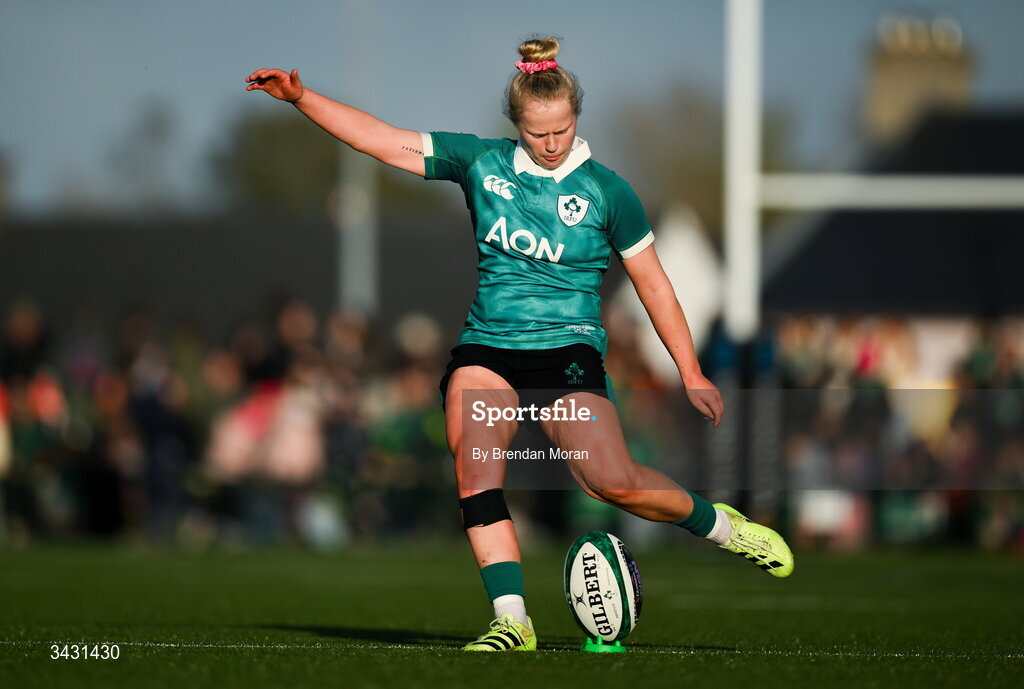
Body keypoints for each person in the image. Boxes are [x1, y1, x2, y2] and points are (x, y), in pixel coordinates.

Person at [245, 36, 793, 652]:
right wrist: (301, 99)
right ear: (517, 125)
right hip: (489, 351)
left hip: (567, 355)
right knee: (474, 471)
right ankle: (513, 621)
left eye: (563, 129)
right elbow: (380, 138)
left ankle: (725, 528)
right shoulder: (479, 163)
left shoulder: (610, 193)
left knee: (612, 481)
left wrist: (689, 370)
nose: (553, 143)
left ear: (575, 118)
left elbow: (656, 287)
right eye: (539, 133)